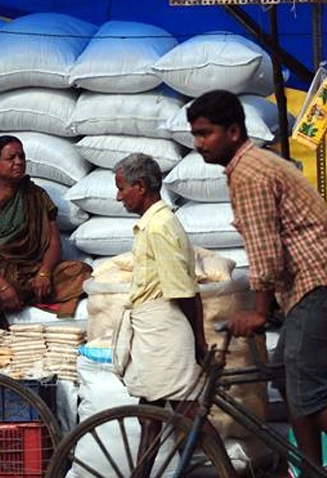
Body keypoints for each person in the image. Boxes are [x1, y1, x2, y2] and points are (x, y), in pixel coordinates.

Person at [187, 90, 327, 478]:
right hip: (316, 286)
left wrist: (259, 311)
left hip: (324, 286)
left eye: (206, 133)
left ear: (233, 131)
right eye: (195, 135)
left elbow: (265, 248)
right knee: (285, 372)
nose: (199, 144)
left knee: (309, 391)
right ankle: (310, 469)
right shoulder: (254, 165)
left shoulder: (249, 173)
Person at [111, 153, 209, 476]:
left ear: (140, 186)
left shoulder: (159, 226)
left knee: (187, 411)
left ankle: (230, 471)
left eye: (122, 188)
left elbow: (183, 290)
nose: (118, 196)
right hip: (155, 329)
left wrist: (197, 340)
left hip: (164, 331)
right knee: (152, 415)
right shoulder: (154, 223)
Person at [0, 135, 92, 329]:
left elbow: (54, 243)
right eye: (11, 158)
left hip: (30, 273)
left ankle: (24, 295)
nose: (19, 162)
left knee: (81, 272)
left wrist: (44, 274)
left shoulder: (36, 195)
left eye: (21, 157)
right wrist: (2, 286)